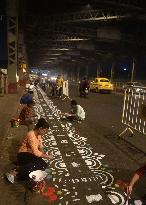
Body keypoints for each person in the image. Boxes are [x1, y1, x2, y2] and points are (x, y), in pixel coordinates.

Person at [5, 118, 53, 184]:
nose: (45, 133)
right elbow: (35, 152)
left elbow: (40, 145)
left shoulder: (38, 135)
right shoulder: (31, 135)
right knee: (36, 165)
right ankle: (14, 172)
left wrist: (42, 153)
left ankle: (22, 167)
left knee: (43, 165)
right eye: (44, 131)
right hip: (23, 154)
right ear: (40, 128)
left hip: (30, 154)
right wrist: (47, 156)